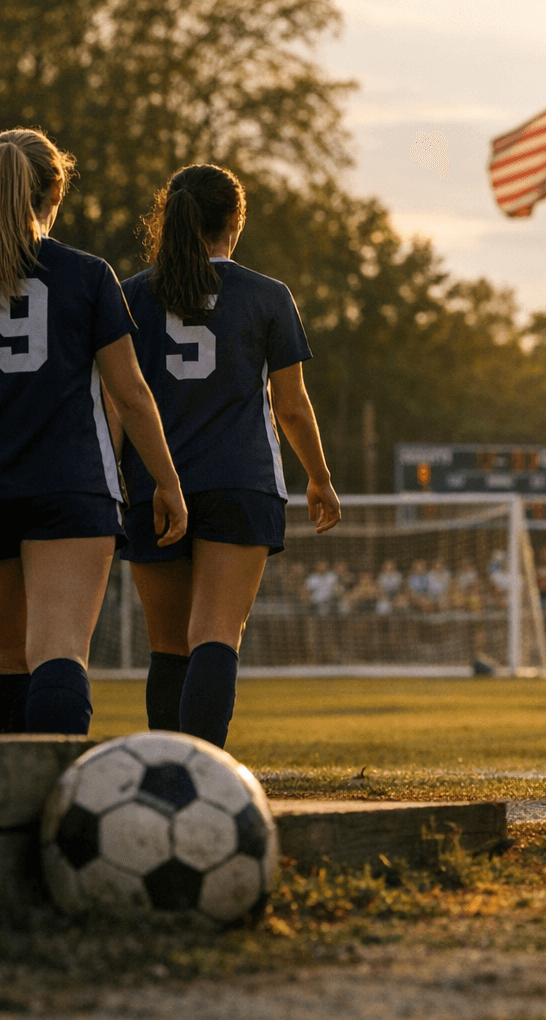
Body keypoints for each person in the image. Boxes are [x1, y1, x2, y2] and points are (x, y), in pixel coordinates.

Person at [0, 128, 187, 736]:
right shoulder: (86, 274)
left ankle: (11, 812)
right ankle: (58, 806)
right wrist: (168, 484)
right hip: (69, 483)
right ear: (53, 188)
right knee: (58, 654)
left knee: (2, 663)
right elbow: (129, 392)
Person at [119, 164, 339, 748]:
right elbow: (289, 405)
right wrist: (319, 477)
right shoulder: (267, 295)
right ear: (235, 221)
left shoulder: (135, 293)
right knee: (216, 633)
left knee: (167, 644)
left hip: (153, 482)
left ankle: (166, 773)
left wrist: (119, 480)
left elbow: (119, 398)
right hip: (240, 479)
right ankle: (205, 778)